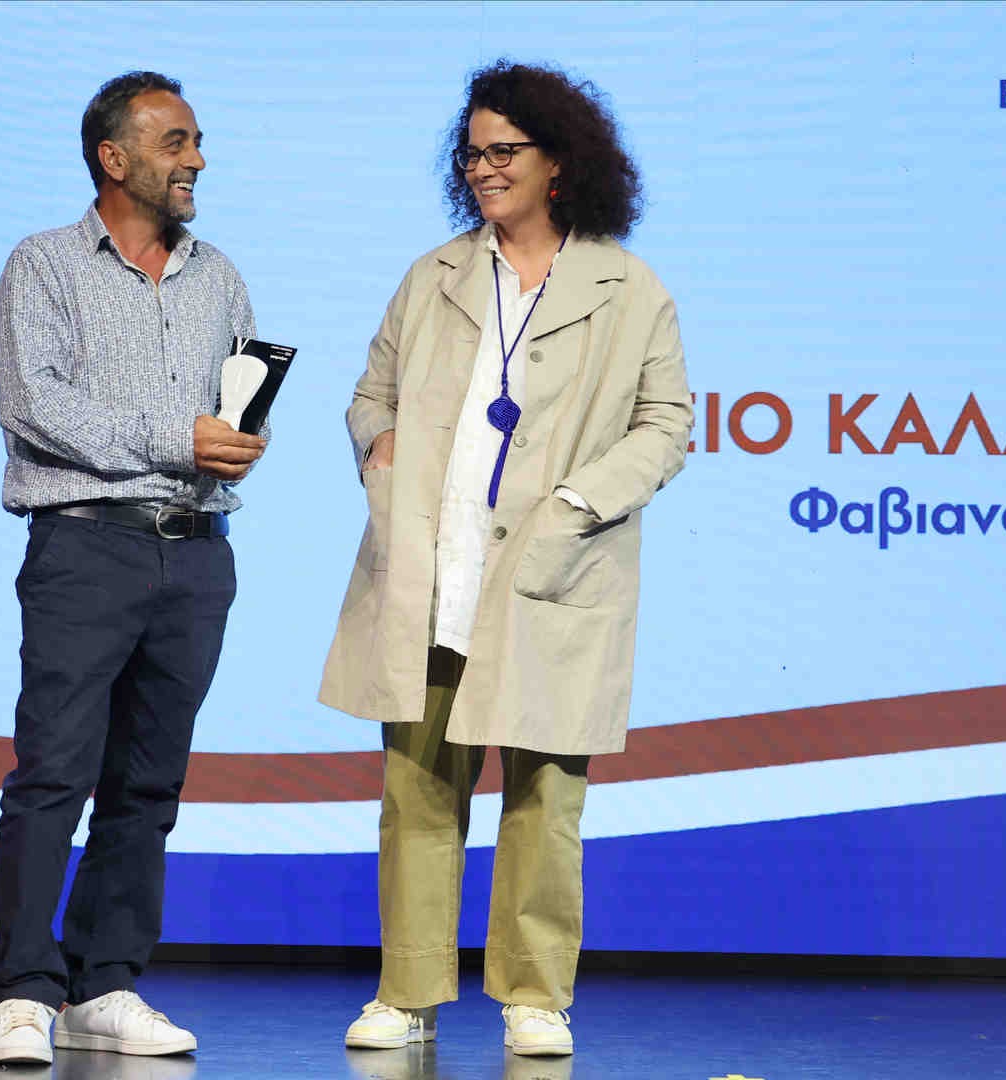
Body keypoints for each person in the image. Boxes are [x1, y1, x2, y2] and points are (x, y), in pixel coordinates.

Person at [319, 60, 692, 1058]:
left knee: (543, 798)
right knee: (417, 793)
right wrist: (379, 446)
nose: (483, 168)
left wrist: (579, 504)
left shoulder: (626, 287)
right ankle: (407, 994)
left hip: (551, 573)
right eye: (471, 154)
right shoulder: (434, 274)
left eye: (503, 151)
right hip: (432, 568)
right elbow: (371, 393)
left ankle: (535, 995)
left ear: (559, 162)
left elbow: (667, 423)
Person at [0, 70, 268, 1066]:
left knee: (147, 786)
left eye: (196, 142)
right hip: (85, 547)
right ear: (114, 157)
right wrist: (178, 437)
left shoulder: (219, 275)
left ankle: (105, 983)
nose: (197, 161)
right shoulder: (45, 265)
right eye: (176, 142)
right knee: (54, 772)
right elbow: (34, 405)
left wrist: (234, 442)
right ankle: (24, 992)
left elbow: (235, 416)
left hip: (197, 553)